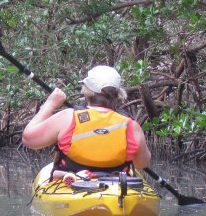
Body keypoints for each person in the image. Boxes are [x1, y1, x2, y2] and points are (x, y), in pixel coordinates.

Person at [21, 65, 151, 177]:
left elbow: (29, 140)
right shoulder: (131, 125)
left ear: (87, 91)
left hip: (73, 184)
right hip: (116, 187)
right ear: (118, 94)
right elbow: (141, 163)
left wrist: (50, 104)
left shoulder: (68, 117)